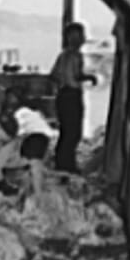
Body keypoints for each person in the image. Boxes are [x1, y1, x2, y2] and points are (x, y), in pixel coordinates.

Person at [49, 22, 97, 174]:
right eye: (81, 35)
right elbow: (76, 75)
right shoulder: (75, 55)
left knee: (66, 131)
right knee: (73, 132)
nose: (83, 38)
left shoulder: (62, 55)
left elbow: (54, 76)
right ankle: (66, 165)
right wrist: (90, 77)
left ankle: (62, 162)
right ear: (73, 37)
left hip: (63, 95)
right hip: (71, 95)